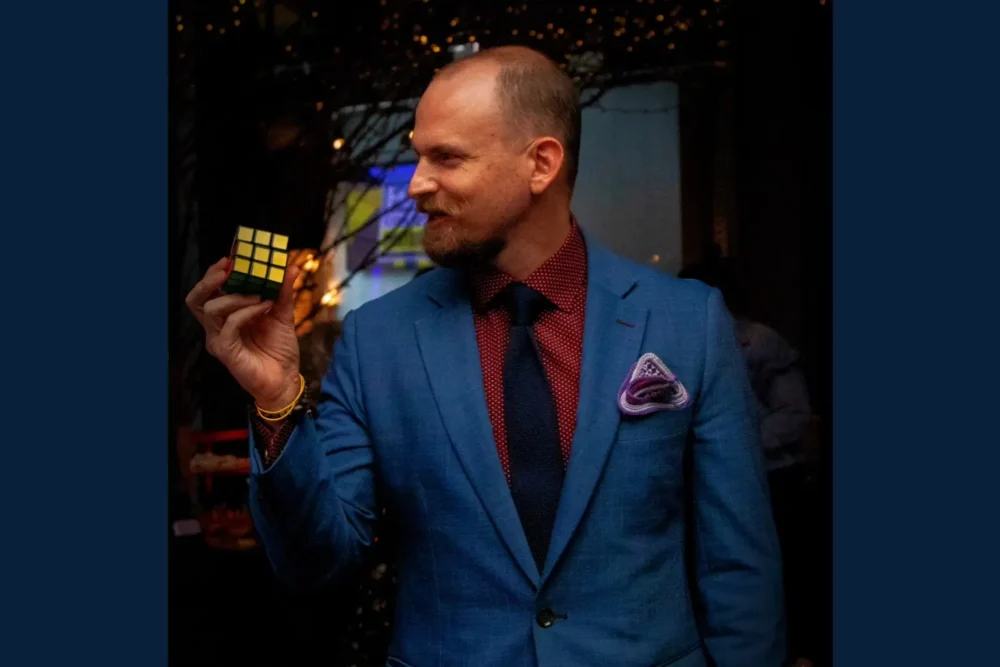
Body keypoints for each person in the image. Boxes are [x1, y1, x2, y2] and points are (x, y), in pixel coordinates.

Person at [187, 46, 785, 667]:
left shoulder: (685, 321)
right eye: (419, 155)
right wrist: (276, 399)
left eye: (447, 158)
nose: (415, 184)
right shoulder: (379, 339)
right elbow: (317, 562)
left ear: (541, 163)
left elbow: (739, 567)